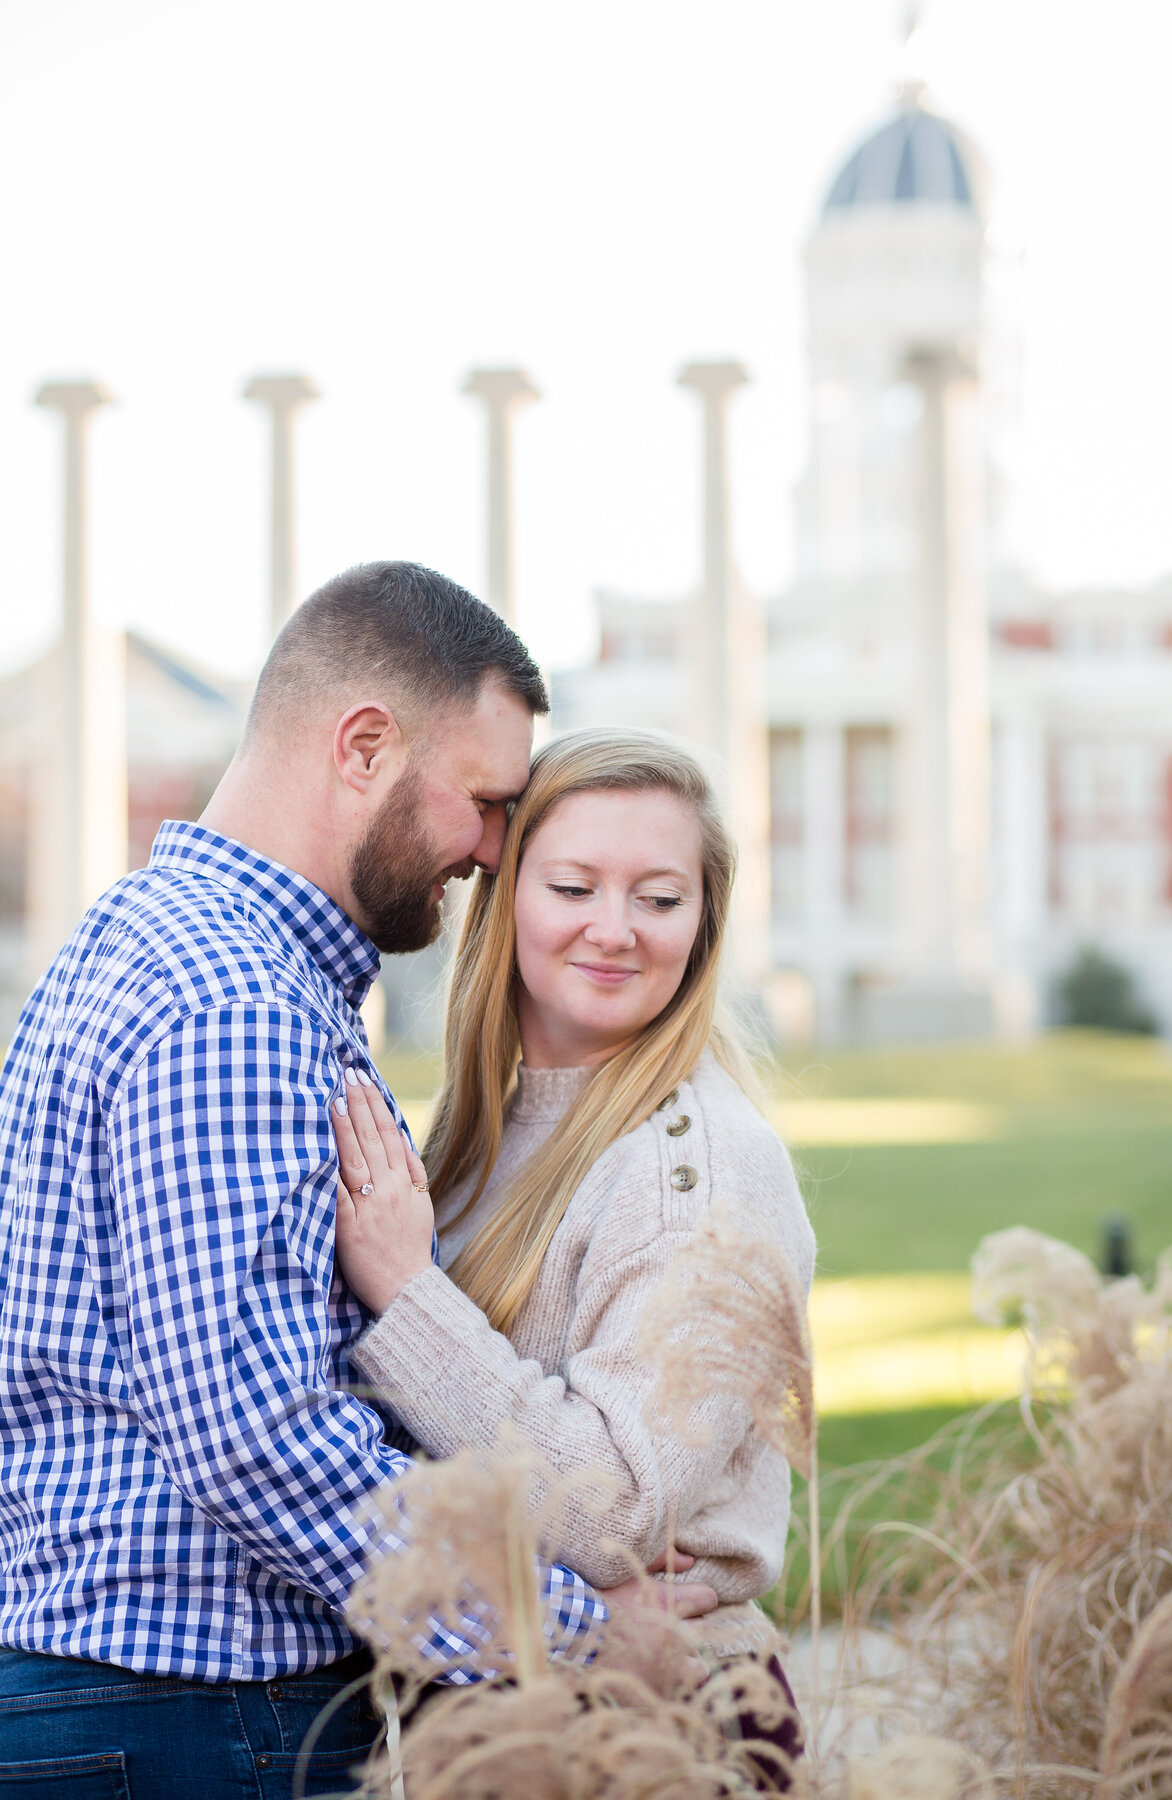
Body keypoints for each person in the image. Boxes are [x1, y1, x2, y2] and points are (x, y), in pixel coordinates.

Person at [0, 566, 716, 1799]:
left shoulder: (139, 943)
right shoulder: (231, 1004)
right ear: (366, 745)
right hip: (202, 1717)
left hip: (138, 1709)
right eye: (487, 802)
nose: (496, 852)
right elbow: (257, 1437)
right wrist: (575, 1634)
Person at [333, 728, 816, 1738]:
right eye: (574, 886)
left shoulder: (697, 1165)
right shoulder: (481, 1132)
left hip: (658, 1712)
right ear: (505, 900)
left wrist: (407, 1293)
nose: (616, 927)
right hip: (514, 1704)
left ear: (703, 924)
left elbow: (617, 1509)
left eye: (660, 896)